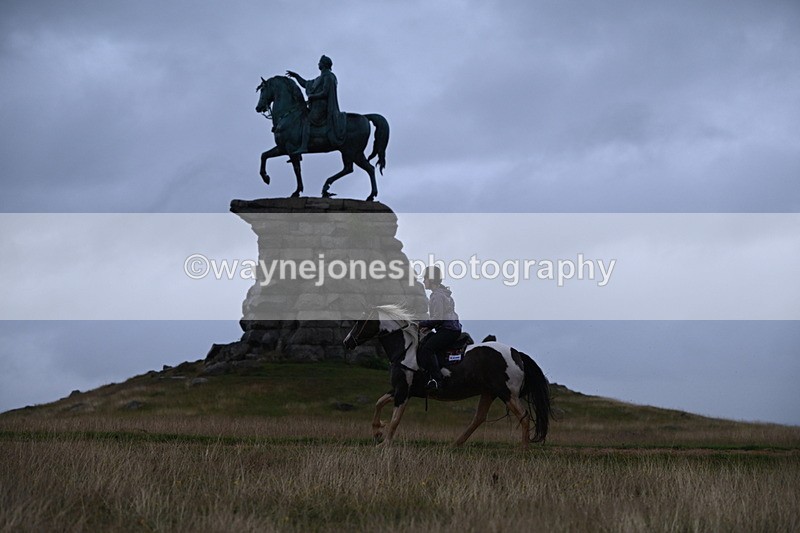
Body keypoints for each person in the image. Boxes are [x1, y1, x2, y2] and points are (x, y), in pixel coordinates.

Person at [285, 55, 347, 154]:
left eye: (320, 62)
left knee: (306, 121)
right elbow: (306, 84)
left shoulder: (329, 76)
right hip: (315, 106)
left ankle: (304, 146)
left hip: (322, 107)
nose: (318, 64)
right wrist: (296, 76)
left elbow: (325, 92)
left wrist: (313, 97)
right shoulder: (319, 78)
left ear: (324, 64)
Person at [418, 266, 462, 391]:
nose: (423, 281)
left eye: (425, 278)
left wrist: (422, 324)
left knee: (427, 349)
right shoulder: (442, 293)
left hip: (448, 330)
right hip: (450, 328)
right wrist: (428, 327)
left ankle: (436, 380)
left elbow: (438, 318)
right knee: (425, 343)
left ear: (431, 279)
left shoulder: (437, 296)